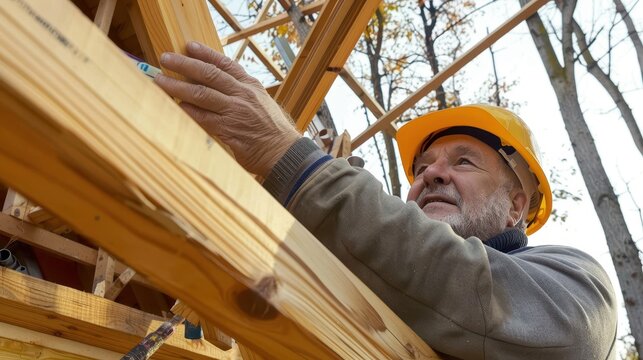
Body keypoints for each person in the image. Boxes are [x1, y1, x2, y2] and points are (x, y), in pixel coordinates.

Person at [154, 41, 618, 359]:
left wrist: (293, 163)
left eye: (463, 162)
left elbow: (470, 288)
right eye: (421, 168)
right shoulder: (365, 297)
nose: (432, 173)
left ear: (516, 206)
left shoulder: (575, 286)